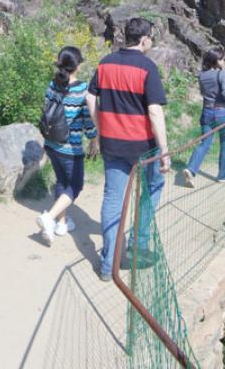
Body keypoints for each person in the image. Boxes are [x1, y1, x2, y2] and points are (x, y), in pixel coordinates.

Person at [86, 17, 170, 282]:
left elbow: (90, 96)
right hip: (142, 147)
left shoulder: (105, 63)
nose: (152, 42)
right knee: (153, 186)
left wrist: (99, 130)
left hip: (112, 143)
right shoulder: (148, 67)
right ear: (144, 39)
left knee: (113, 200)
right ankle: (137, 242)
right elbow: (155, 111)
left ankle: (107, 265)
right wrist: (164, 150)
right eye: (151, 38)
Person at [36, 46, 99, 245]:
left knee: (62, 182)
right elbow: (88, 121)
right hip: (70, 148)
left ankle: (62, 224)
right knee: (75, 185)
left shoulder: (52, 85)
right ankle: (50, 217)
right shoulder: (81, 89)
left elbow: (46, 108)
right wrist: (94, 140)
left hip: (51, 143)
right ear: (77, 65)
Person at [181, 48, 225, 187]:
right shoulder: (222, 73)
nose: (223, 61)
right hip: (221, 112)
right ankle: (224, 176)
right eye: (221, 59)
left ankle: (191, 170)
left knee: (204, 143)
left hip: (206, 113)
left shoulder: (201, 75)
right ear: (215, 60)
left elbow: (203, 92)